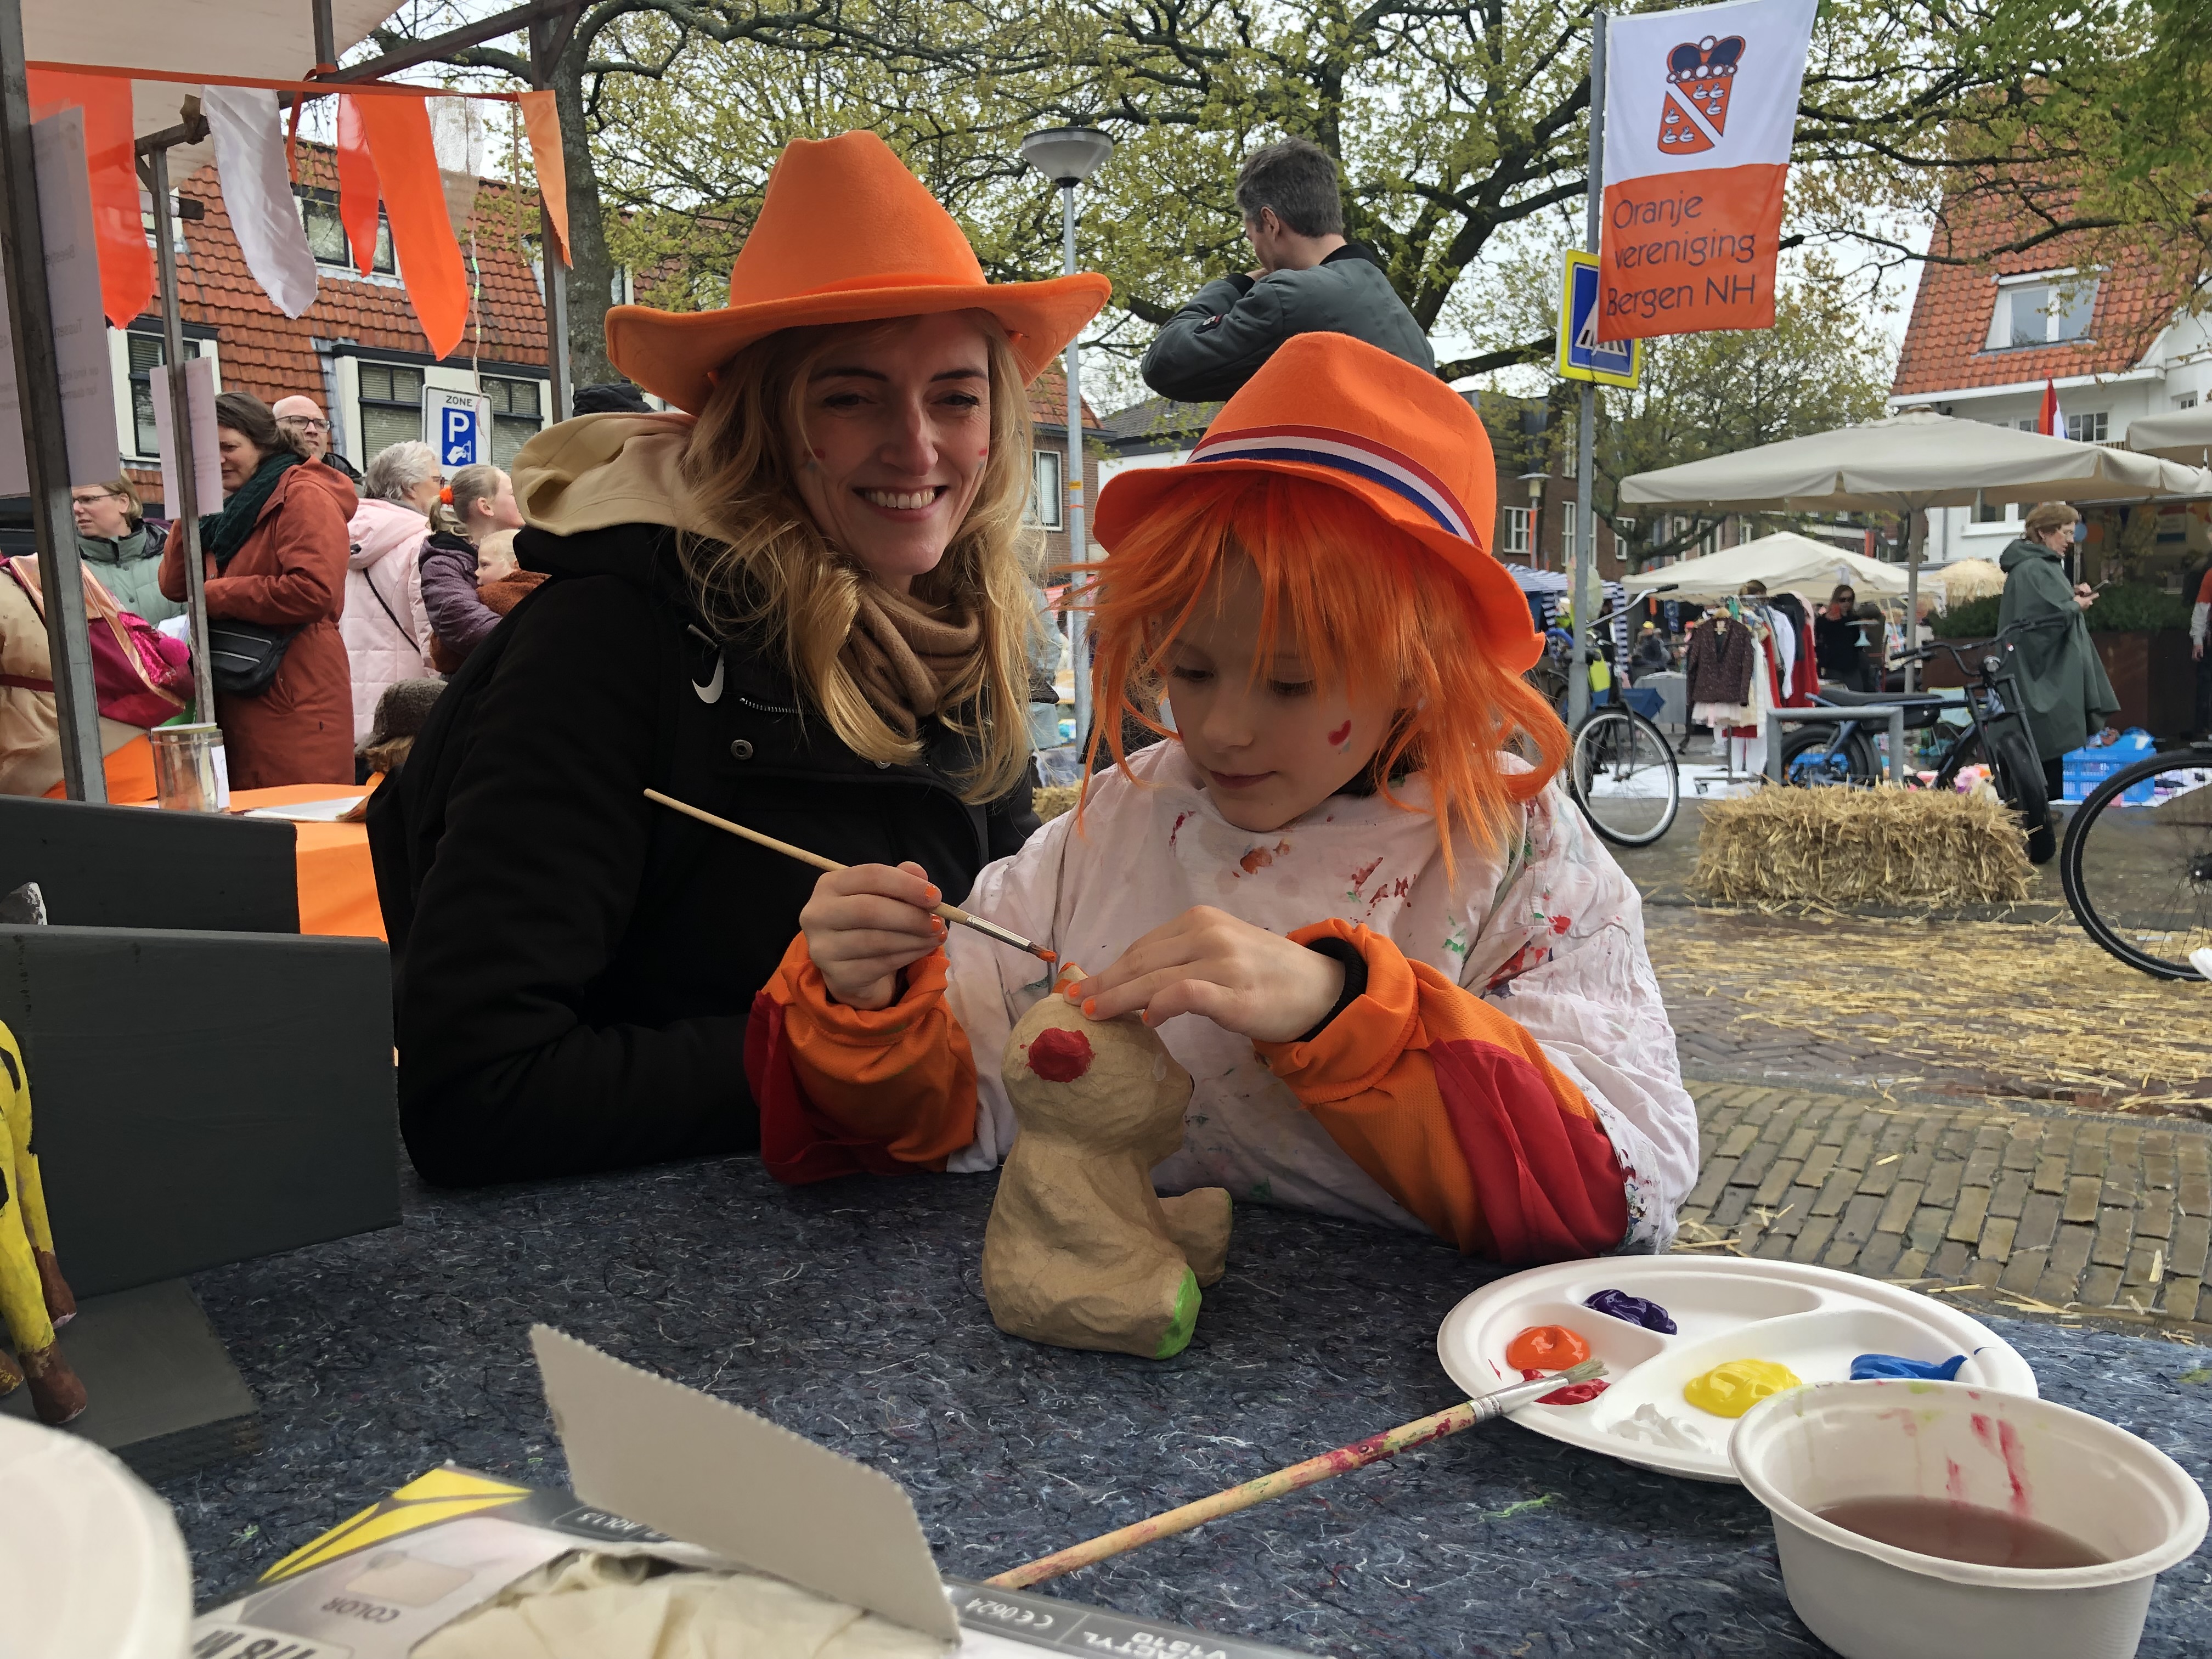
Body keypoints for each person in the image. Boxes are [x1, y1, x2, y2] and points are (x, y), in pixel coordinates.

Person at [758, 334, 1698, 1261]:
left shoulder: (1519, 857)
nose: (1221, 731)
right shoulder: (1122, 819)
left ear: (1420, 670)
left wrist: (1343, 1010)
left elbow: (1620, 1187)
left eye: (1290, 685)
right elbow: (963, 1106)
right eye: (1193, 669)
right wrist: (867, 1004)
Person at [367, 130, 1110, 1186]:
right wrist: (820, 1046)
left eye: (955, 395)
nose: (917, 446)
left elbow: (1000, 964)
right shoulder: (609, 643)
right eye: (849, 397)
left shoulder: (966, 627)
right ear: (765, 422)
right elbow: (474, 1088)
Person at [159, 392, 358, 788]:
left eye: (228, 447)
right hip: (239, 684)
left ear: (263, 443)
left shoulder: (303, 494)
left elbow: (313, 590)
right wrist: (190, 506)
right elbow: (175, 584)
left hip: (295, 688)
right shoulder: (224, 506)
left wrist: (214, 596)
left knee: (299, 822)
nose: (216, 460)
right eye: (203, 450)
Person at [1139, 138, 1434, 402]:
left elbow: (1164, 363)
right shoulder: (1405, 326)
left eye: (1251, 236)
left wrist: (1237, 284)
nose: (1254, 247)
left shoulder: (1289, 297)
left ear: (1270, 223)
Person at [1999, 501, 2118, 856]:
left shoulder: (2036, 565)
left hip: (2041, 669)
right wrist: (2073, 606)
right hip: (2038, 671)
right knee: (2040, 736)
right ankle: (2031, 811)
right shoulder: (2033, 568)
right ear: (2044, 533)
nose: (2070, 540)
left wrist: (2071, 597)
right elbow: (2038, 620)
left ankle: (2036, 809)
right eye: (2066, 533)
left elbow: (2044, 608)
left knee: (2042, 737)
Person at [344, 441, 440, 746]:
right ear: (411, 488)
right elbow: (431, 634)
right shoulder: (423, 542)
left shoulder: (336, 536)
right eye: (437, 481)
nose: (443, 489)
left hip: (345, 711)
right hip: (402, 718)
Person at [419, 464, 526, 672]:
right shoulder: (444, 561)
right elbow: (461, 619)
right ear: (486, 507)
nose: (522, 499)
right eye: (513, 494)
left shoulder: (528, 547)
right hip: (477, 682)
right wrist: (533, 639)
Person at [71, 477, 180, 625]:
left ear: (123, 502)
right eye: (73, 501)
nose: (76, 509)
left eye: (88, 499)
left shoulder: (172, 551)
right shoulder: (67, 570)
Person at [273, 394, 362, 483]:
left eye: (320, 424)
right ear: (274, 428)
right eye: (299, 421)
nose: (313, 430)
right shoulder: (263, 485)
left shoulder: (355, 489)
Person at [1814, 583, 1876, 692]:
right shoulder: (1824, 620)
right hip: (1833, 666)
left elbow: (1859, 646)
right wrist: (1828, 619)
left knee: (1856, 696)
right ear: (1836, 600)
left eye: (1850, 600)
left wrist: (1863, 631)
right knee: (1837, 696)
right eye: (1843, 600)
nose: (1847, 603)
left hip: (1852, 666)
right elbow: (1819, 636)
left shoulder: (1855, 619)